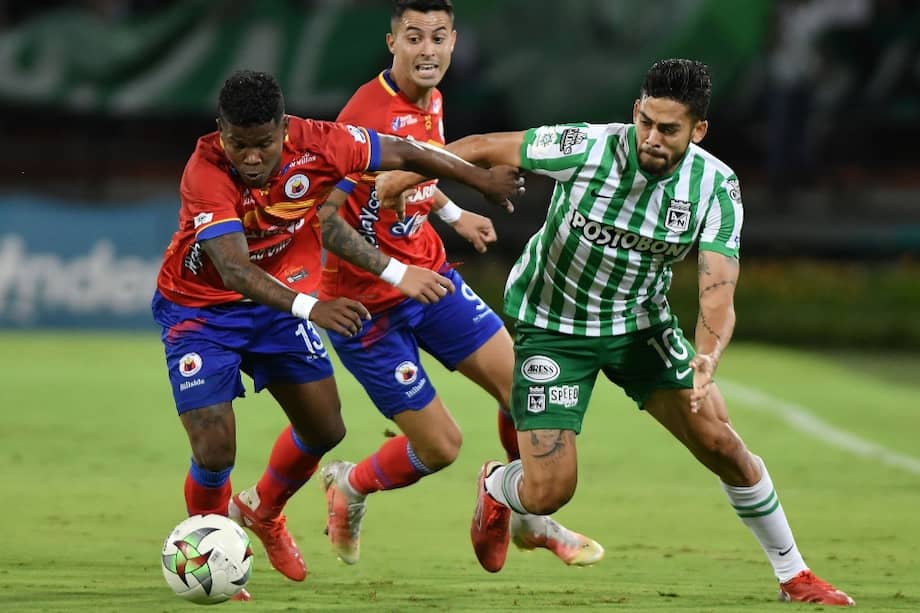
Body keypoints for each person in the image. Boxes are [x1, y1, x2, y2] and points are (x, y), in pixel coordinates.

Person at [377, 59, 855, 605]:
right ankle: (496, 487)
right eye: (646, 122)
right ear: (635, 112)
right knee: (549, 492)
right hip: (552, 326)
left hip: (639, 325)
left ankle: (794, 576)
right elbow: (484, 145)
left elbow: (717, 288)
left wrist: (707, 354)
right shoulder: (589, 146)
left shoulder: (715, 186)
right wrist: (406, 175)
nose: (652, 138)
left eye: (669, 129)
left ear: (698, 131)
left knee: (722, 442)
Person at [152, 69, 523, 599]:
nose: (251, 158)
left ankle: (264, 510)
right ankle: (215, 551)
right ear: (221, 131)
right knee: (214, 447)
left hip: (279, 304)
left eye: (262, 144)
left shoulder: (322, 143)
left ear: (284, 128)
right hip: (201, 312)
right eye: (239, 144)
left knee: (326, 428)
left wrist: (477, 180)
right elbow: (234, 271)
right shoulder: (205, 170)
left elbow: (404, 152)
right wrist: (314, 307)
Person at [316, 0, 603, 569]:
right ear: (391, 42)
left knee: (522, 386)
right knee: (439, 448)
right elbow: (325, 223)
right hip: (366, 306)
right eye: (415, 38)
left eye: (439, 37)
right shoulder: (362, 118)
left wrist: (452, 216)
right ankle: (349, 484)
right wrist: (399, 272)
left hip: (432, 280)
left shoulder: (434, 99)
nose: (428, 51)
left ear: (454, 42)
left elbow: (418, 172)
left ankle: (526, 513)